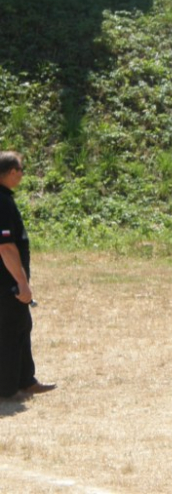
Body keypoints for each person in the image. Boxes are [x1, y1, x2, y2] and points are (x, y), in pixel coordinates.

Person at [0, 151, 56, 401]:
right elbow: (6, 246)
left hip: (9, 280)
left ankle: (25, 380)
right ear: (12, 172)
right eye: (21, 170)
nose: (22, 175)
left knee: (22, 325)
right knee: (10, 331)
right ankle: (7, 388)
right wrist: (21, 282)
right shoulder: (2, 202)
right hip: (6, 282)